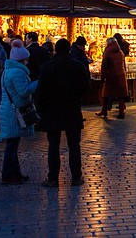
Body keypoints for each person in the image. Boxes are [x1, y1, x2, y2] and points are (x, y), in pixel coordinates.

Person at [37, 38, 91, 187]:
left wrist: (41, 108)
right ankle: (76, 177)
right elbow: (86, 85)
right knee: (74, 145)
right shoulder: (77, 66)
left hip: (52, 110)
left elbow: (40, 90)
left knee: (53, 145)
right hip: (72, 109)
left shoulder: (47, 67)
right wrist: (76, 96)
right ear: (69, 49)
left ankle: (53, 178)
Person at [0, 40, 38, 185]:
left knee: (12, 144)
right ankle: (8, 174)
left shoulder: (8, 71)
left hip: (8, 109)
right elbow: (23, 91)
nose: (27, 62)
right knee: (12, 146)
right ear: (21, 59)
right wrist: (36, 84)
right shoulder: (17, 72)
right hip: (14, 112)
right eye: (26, 59)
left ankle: (14, 173)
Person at [96, 37, 128, 119]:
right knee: (121, 94)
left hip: (111, 76)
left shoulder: (108, 52)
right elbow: (124, 65)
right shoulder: (120, 52)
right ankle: (121, 112)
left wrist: (102, 77)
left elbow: (104, 66)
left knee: (105, 93)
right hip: (121, 75)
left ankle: (104, 110)